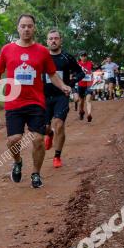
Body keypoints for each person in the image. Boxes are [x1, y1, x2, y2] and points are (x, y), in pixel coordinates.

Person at [0, 15, 71, 189]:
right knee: (14, 140)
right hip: (14, 102)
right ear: (18, 28)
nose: (26, 29)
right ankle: (18, 161)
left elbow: (52, 74)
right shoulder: (7, 49)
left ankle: (36, 173)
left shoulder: (42, 51)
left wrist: (63, 86)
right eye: (23, 26)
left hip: (36, 102)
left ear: (34, 28)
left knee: (37, 139)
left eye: (29, 26)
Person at [43, 29, 85, 168]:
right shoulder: (42, 57)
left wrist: (70, 85)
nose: (53, 41)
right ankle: (49, 134)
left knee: (59, 124)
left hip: (61, 96)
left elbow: (80, 73)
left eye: (56, 38)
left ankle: (57, 156)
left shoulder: (67, 58)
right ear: (47, 41)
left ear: (60, 40)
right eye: (50, 39)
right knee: (46, 127)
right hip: (44, 97)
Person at [76, 52, 95, 122]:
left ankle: (89, 114)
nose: (84, 57)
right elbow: (74, 72)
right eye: (82, 56)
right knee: (81, 101)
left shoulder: (90, 63)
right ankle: (81, 112)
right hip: (80, 84)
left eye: (85, 56)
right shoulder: (77, 64)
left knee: (88, 100)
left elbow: (95, 70)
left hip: (89, 84)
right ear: (80, 57)